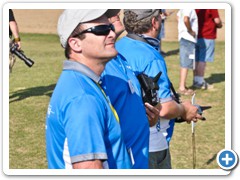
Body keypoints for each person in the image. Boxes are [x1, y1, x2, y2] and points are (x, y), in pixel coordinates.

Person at [45, 9, 132, 169]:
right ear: (75, 44)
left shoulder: (80, 82)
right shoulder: (83, 97)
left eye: (110, 27)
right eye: (101, 30)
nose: (112, 34)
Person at [116, 9, 202, 169]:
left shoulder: (116, 47)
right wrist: (184, 110)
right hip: (151, 144)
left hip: (123, 141)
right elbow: (164, 108)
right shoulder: (151, 57)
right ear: (154, 22)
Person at [100, 13, 159, 169]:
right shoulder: (100, 67)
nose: (115, 15)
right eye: (106, 15)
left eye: (114, 12)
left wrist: (145, 118)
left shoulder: (118, 57)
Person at [193, 9, 223, 89]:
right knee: (203, 60)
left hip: (196, 36)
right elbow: (217, 21)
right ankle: (200, 82)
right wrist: (220, 24)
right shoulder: (211, 5)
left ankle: (196, 80)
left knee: (196, 59)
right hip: (208, 36)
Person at [177, 9, 198, 95]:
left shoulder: (183, 7)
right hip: (188, 39)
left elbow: (178, 17)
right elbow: (186, 19)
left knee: (185, 62)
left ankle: (183, 86)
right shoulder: (189, 6)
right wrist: (190, 31)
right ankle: (182, 87)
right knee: (186, 63)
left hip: (184, 38)